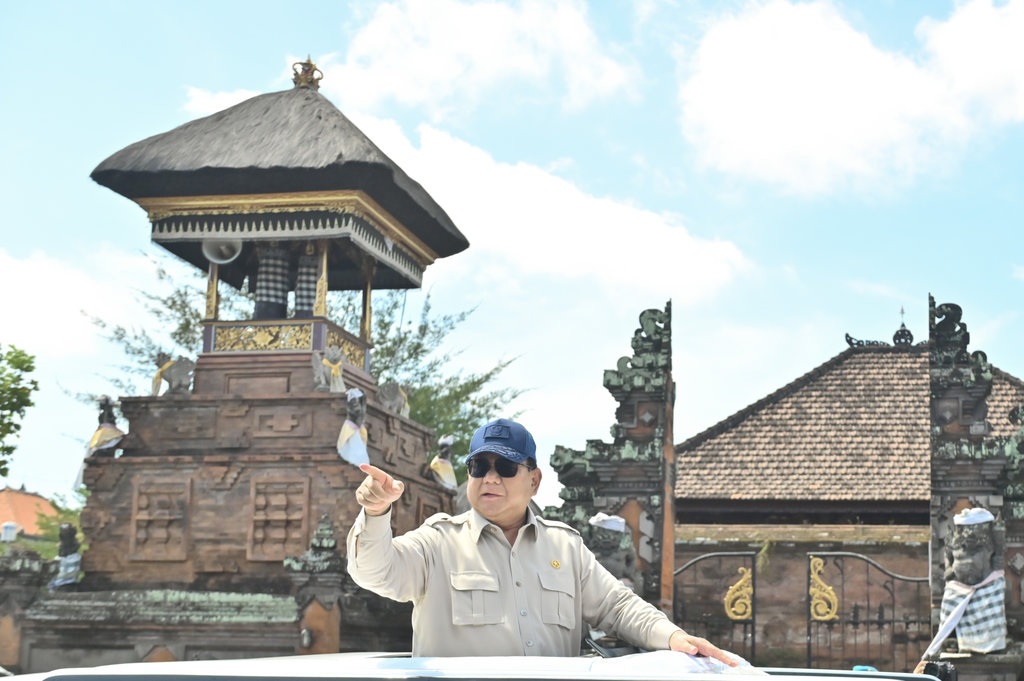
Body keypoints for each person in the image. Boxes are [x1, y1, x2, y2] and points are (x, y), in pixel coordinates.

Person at [347, 417, 738, 665]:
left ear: (534, 480)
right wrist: (378, 513)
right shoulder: (437, 542)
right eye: (479, 466)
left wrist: (674, 637)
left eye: (505, 466)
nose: (490, 477)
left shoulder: (565, 548)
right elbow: (376, 572)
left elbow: (617, 608)